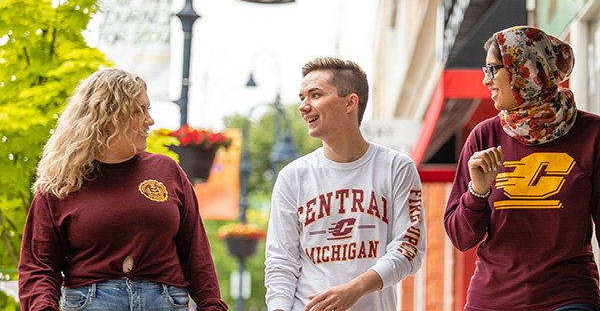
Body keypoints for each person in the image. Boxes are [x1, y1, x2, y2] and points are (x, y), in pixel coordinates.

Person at [18, 68, 228, 311]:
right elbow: (39, 264)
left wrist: (212, 305)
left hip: (166, 302)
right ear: (109, 115)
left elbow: (196, 251)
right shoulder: (61, 181)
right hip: (90, 303)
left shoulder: (167, 171)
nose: (150, 120)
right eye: (140, 110)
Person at [444, 26, 600, 311]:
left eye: (492, 69)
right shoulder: (483, 136)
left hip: (567, 298)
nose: (485, 80)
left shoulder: (592, 133)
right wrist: (477, 191)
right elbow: (460, 237)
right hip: (492, 300)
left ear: (525, 70)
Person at [265, 57, 425, 311]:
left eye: (315, 95)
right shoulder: (292, 177)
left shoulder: (397, 168)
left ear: (350, 102)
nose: (303, 107)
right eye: (302, 98)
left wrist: (356, 288)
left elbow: (409, 249)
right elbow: (281, 263)